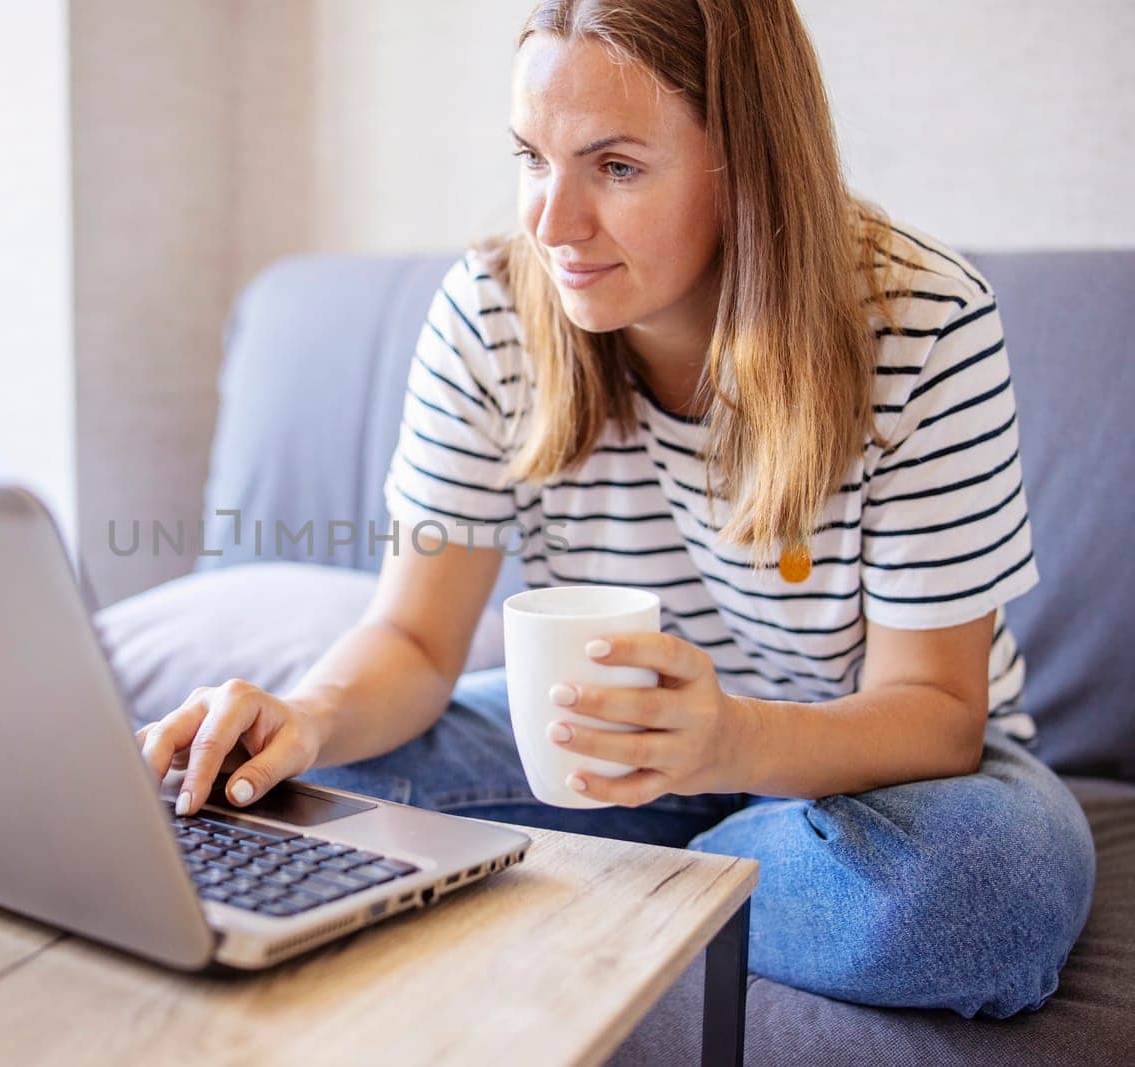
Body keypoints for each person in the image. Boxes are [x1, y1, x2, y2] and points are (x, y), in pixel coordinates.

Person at [133, 0, 1094, 1020]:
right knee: (277, 787)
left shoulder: (922, 320)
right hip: (589, 748)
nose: (552, 222)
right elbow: (415, 637)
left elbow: (938, 715)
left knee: (979, 894)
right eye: (532, 157)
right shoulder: (491, 309)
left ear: (747, 165)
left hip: (871, 787)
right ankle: (678, 882)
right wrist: (306, 716)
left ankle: (582, 883)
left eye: (616, 166)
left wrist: (725, 740)